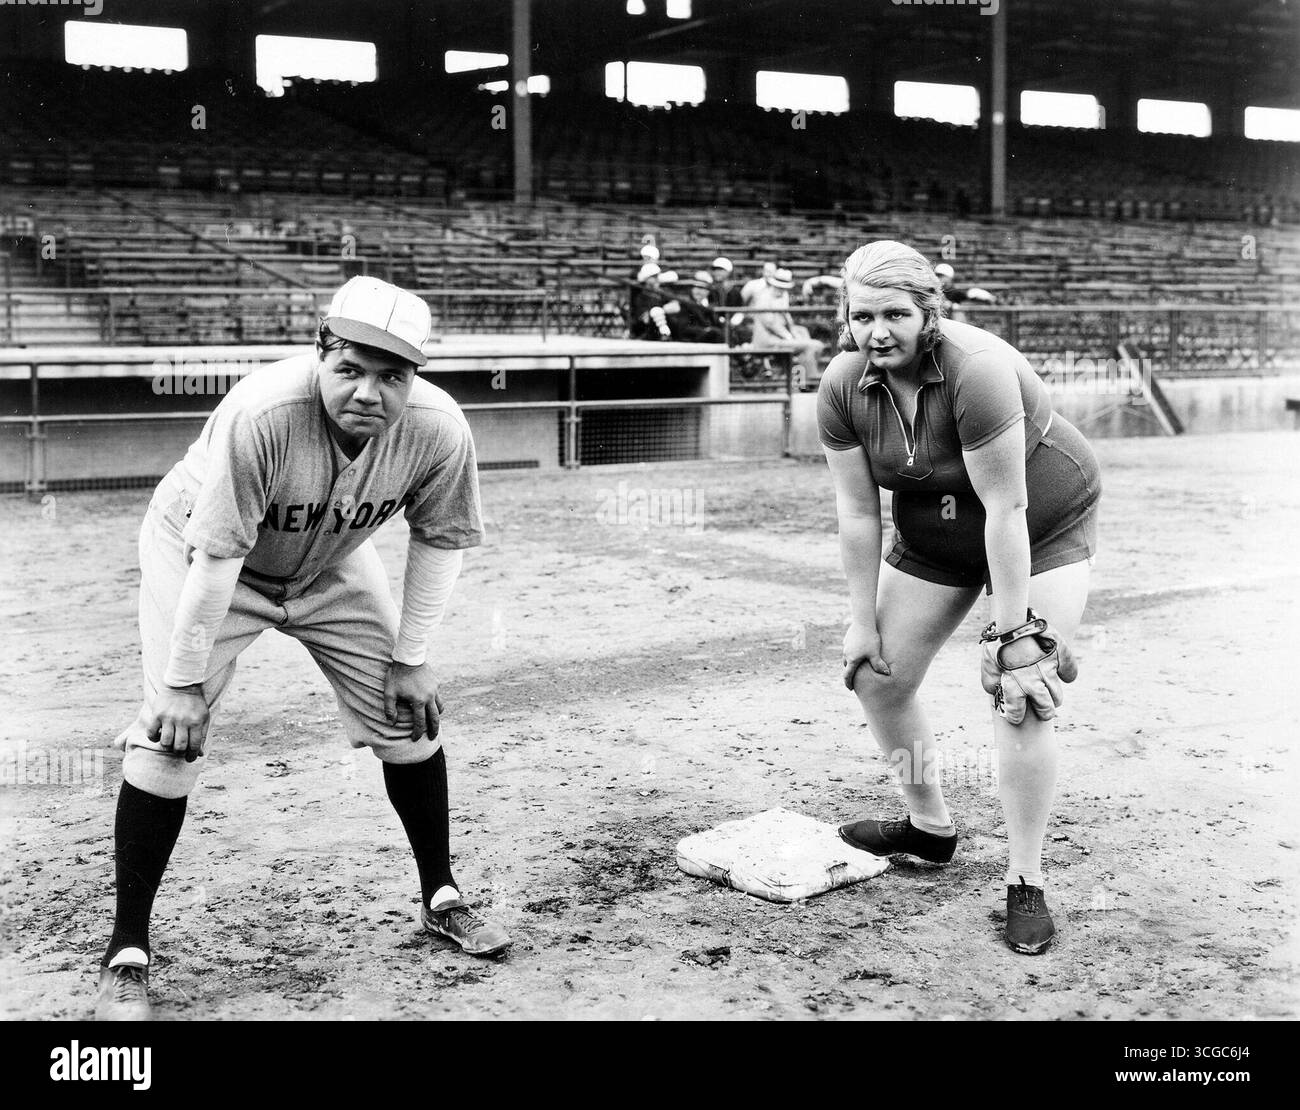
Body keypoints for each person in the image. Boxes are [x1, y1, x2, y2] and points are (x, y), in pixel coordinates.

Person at [96, 276, 510, 1021]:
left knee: (406, 716)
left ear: (415, 377)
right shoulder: (264, 412)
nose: (368, 391)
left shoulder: (439, 428)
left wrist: (411, 657)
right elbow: (218, 558)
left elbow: (441, 542)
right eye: (351, 367)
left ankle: (442, 895)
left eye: (392, 375)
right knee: (168, 738)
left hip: (331, 559)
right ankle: (127, 950)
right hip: (208, 555)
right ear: (320, 351)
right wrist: (182, 682)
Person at [817, 240, 1101, 955]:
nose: (878, 332)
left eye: (895, 314)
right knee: (875, 676)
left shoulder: (976, 371)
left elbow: (1005, 510)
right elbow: (856, 513)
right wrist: (860, 625)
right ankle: (929, 827)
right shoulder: (843, 385)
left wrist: (1014, 638)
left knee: (1020, 688)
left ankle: (1025, 878)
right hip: (935, 527)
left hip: (1041, 519)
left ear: (929, 312)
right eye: (862, 316)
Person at [749, 266, 824, 387]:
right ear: (772, 284)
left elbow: (786, 315)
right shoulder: (764, 298)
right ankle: (809, 382)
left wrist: (793, 330)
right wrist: (789, 336)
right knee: (812, 345)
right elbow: (770, 323)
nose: (781, 290)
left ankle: (801, 380)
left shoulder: (783, 295)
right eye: (778, 287)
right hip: (767, 340)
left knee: (803, 332)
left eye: (784, 287)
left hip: (779, 334)